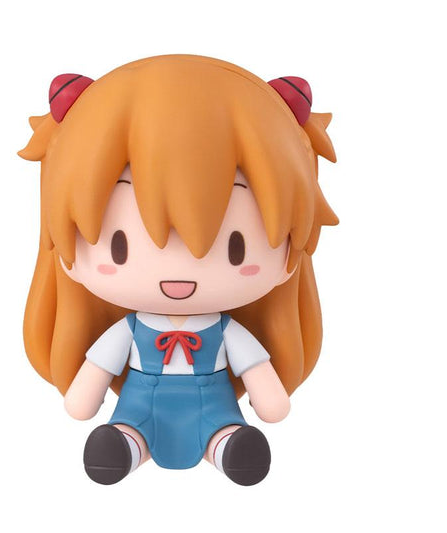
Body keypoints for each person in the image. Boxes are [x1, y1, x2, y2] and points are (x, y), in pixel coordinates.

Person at [18, 54, 337, 486]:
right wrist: (84, 398)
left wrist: (269, 400)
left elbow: (266, 391)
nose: (178, 274)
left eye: (236, 247)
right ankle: (126, 446)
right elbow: (88, 387)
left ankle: (226, 448)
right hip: (138, 407)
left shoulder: (227, 332)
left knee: (224, 431)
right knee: (128, 430)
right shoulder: (129, 330)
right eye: (119, 245)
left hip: (215, 408)